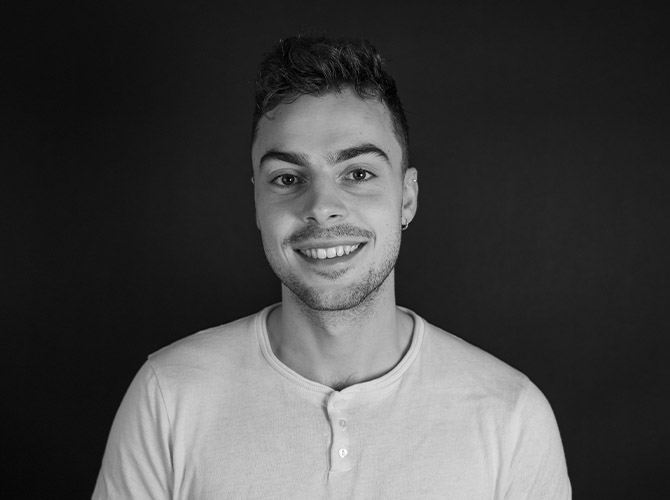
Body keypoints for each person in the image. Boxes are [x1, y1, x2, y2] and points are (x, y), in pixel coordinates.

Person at [93, 35, 571, 499]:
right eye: (287, 178)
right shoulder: (168, 396)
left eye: (358, 173)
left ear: (406, 198)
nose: (322, 207)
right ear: (257, 203)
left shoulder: (511, 416)